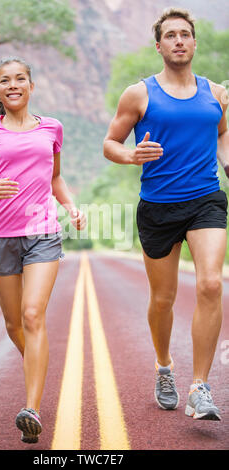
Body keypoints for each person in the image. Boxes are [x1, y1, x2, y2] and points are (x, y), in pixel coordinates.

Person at [103, 8, 229, 421]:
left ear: (194, 43)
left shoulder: (216, 93)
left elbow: (223, 133)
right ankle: (163, 366)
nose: (179, 40)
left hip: (206, 199)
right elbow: (110, 143)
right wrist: (131, 155)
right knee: (163, 298)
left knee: (210, 283)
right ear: (159, 46)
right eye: (170, 35)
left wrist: (227, 163)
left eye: (185, 34)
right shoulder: (139, 94)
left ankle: (200, 387)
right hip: (158, 205)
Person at [0, 56, 86, 443]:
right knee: (14, 325)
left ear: (31, 85)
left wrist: (71, 207)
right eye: (5, 80)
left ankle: (32, 407)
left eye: (21, 79)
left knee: (32, 315)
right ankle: (39, 369)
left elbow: (55, 177)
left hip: (42, 232)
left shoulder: (52, 128)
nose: (14, 85)